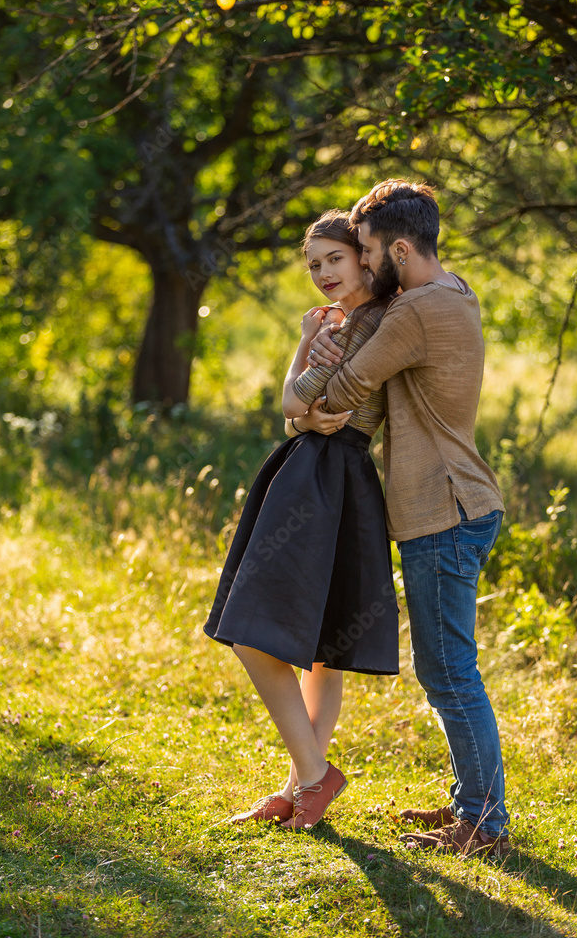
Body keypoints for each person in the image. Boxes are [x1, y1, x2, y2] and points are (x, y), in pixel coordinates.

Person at [307, 180, 510, 856]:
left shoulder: (415, 313)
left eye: (365, 254)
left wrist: (312, 363)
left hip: (443, 512)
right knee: (447, 668)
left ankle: (482, 824)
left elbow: (341, 393)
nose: (360, 268)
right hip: (456, 505)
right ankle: (472, 804)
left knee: (449, 672)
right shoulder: (454, 291)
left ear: (398, 248)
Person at [204, 210, 399, 832]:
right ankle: (301, 783)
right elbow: (292, 405)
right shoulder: (334, 322)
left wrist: (303, 406)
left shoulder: (374, 322)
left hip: (330, 477)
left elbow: (305, 397)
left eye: (333, 259)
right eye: (313, 265)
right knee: (312, 645)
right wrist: (300, 413)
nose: (321, 274)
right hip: (312, 471)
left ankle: (314, 778)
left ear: (365, 257)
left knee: (268, 633)